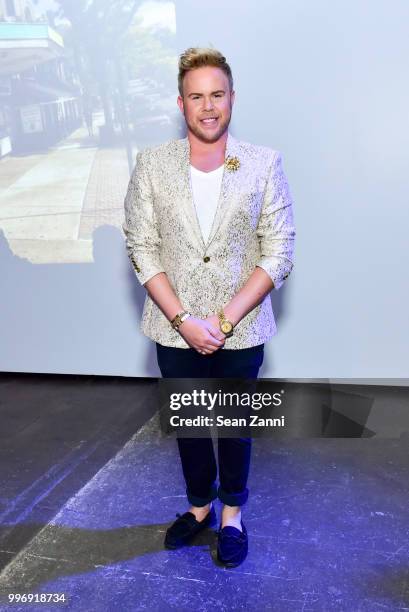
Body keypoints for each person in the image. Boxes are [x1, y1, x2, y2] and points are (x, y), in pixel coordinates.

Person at [122, 47, 295, 567]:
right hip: (173, 327)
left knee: (237, 426)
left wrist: (220, 322)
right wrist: (182, 320)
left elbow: (279, 249)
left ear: (232, 99)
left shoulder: (264, 163)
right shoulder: (152, 165)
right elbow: (142, 247)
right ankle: (199, 508)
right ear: (181, 103)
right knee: (191, 426)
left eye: (217, 94)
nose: (208, 106)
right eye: (196, 96)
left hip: (239, 329)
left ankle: (232, 515)